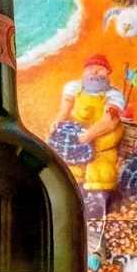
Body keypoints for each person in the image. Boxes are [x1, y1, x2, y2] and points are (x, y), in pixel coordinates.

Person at [53, 53, 125, 196]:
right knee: (71, 169)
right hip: (76, 136)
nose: (95, 72)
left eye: (100, 69)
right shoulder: (74, 87)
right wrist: (57, 123)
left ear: (108, 73)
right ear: (84, 71)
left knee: (100, 171)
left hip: (101, 139)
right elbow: (64, 110)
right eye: (90, 68)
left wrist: (89, 135)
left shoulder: (113, 95)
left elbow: (110, 121)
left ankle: (98, 195)